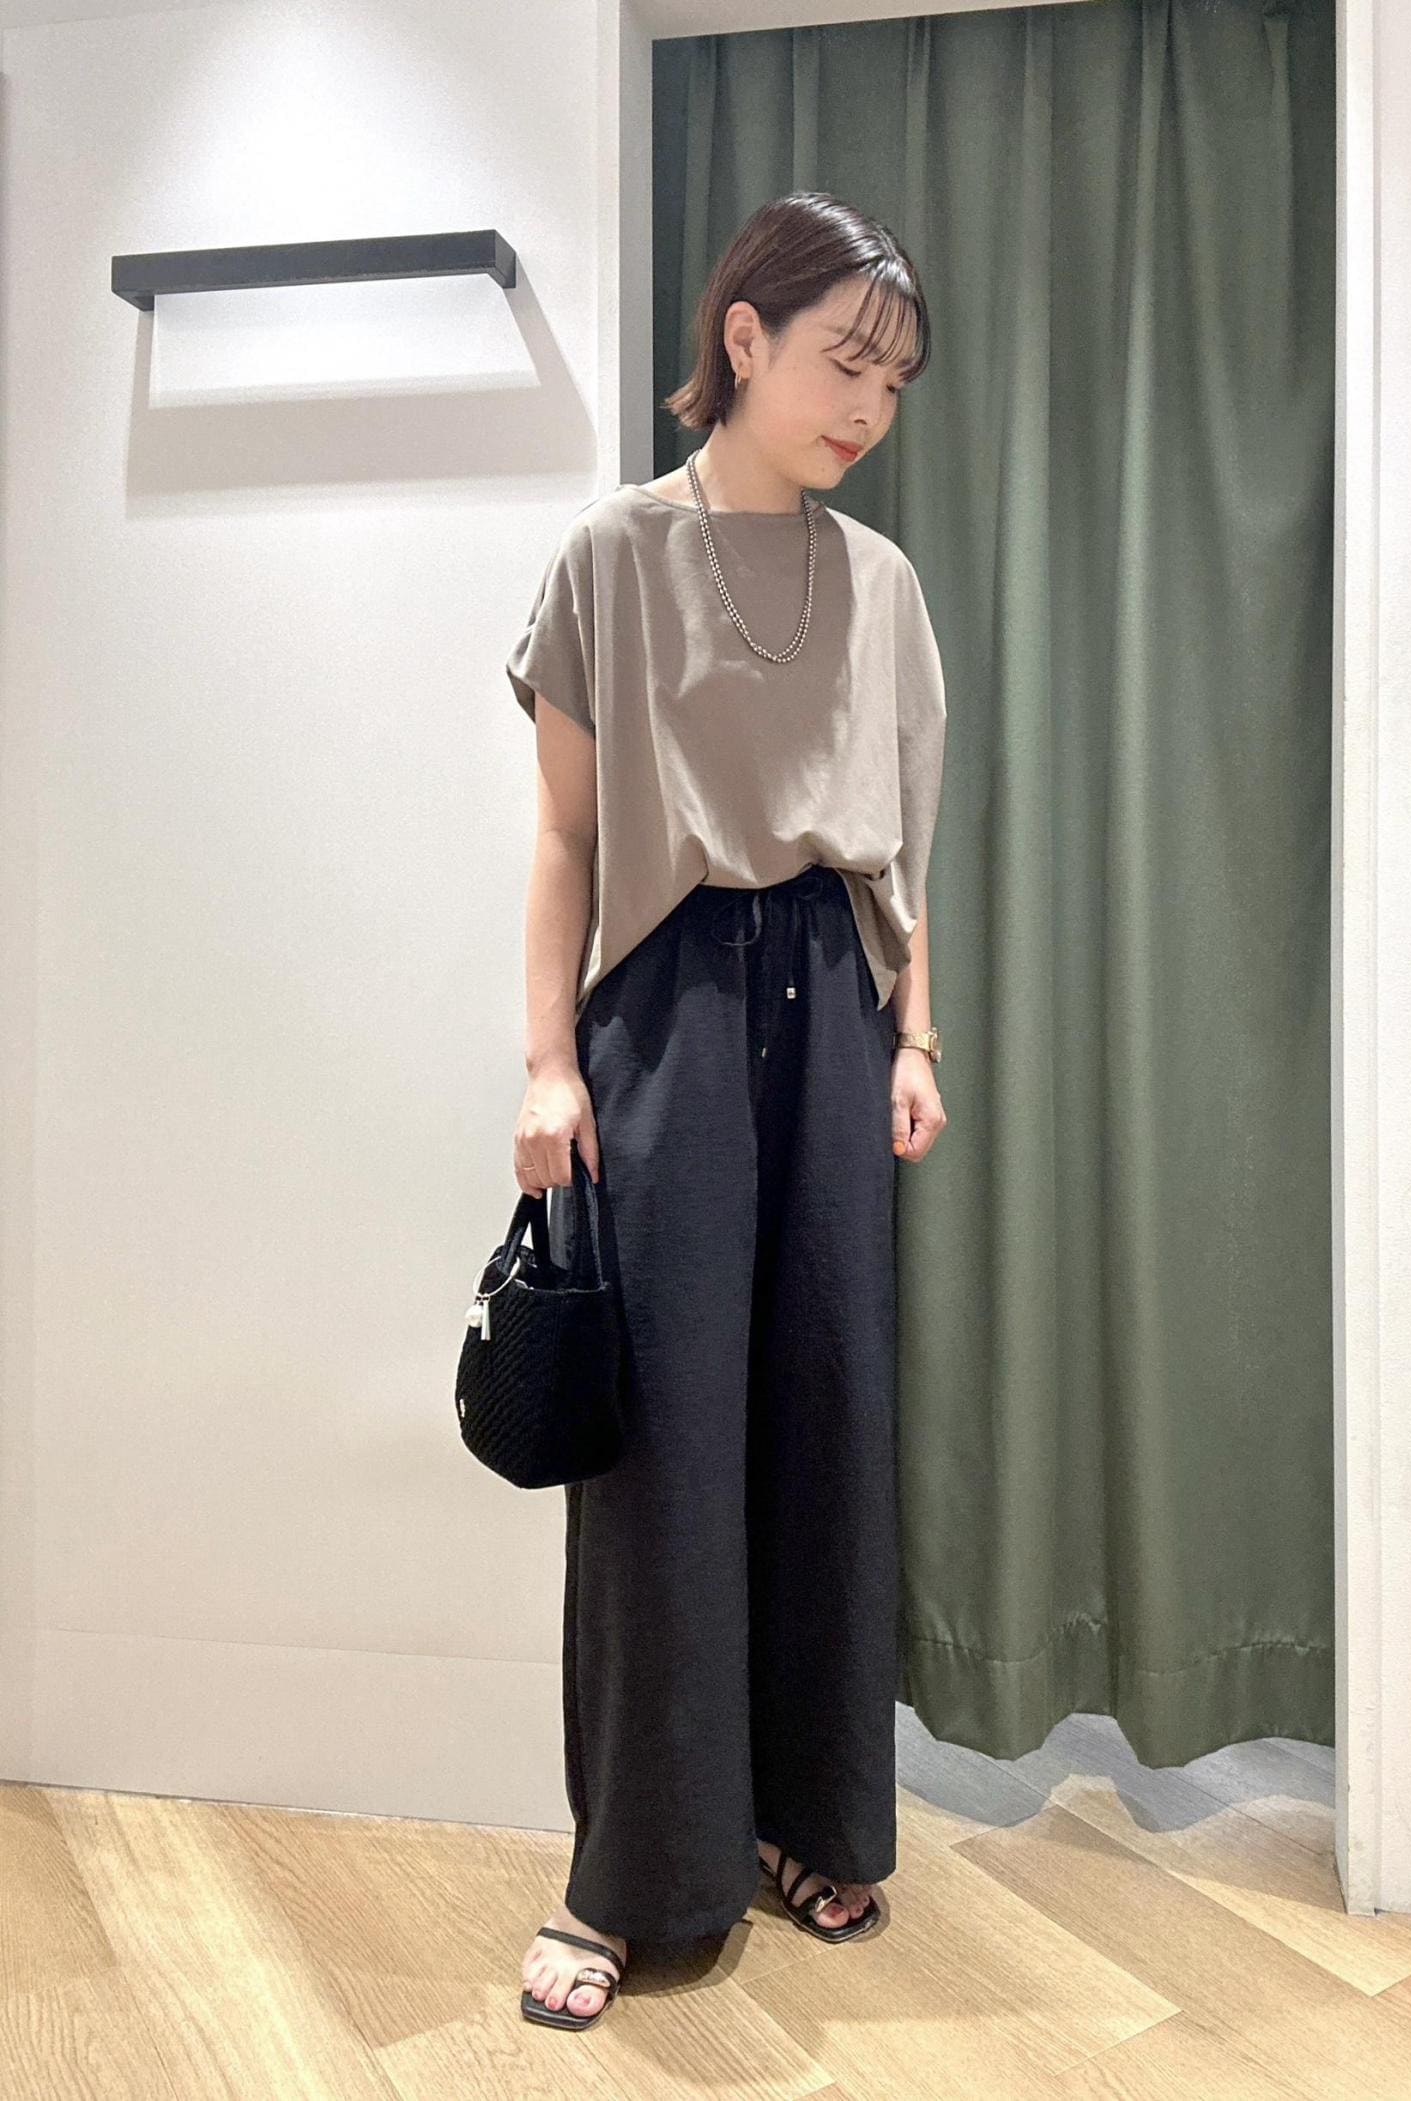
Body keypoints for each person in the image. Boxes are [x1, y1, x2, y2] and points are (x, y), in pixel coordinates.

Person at [506, 190, 948, 2032]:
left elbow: (903, 848)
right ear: (743, 337)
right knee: (662, 1444)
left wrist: (916, 1035)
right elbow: (566, 837)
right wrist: (548, 1060)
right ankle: (626, 1879)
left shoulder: (883, 583)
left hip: (833, 1007)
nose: (867, 406)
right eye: (845, 360)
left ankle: (808, 1816)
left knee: (826, 1410)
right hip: (668, 1009)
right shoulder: (613, 553)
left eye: (895, 381)